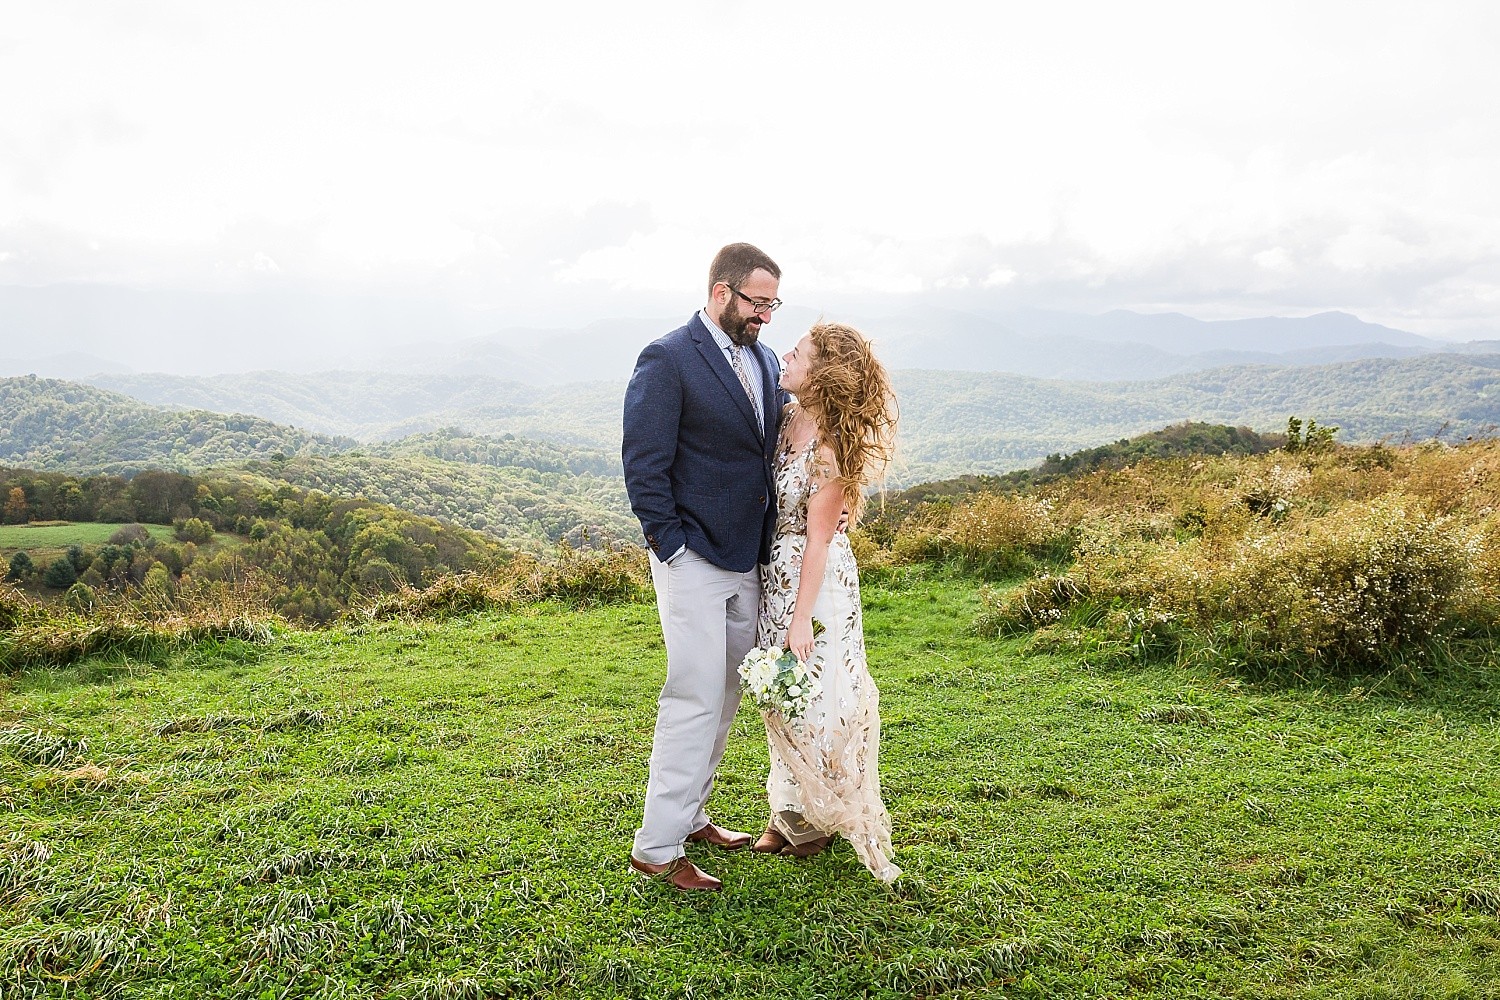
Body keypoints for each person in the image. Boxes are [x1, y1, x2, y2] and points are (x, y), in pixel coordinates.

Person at [622, 242, 789, 892]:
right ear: (721, 291)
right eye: (757, 303)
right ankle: (657, 848)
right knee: (691, 696)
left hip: (747, 558)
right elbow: (645, 463)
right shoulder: (667, 358)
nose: (766, 317)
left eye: (774, 304)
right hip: (692, 559)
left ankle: (692, 814)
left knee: (723, 697)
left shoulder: (765, 358)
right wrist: (672, 548)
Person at [750, 321, 901, 882]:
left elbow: (819, 536)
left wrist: (799, 619)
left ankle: (814, 820)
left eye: (798, 352)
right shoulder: (789, 417)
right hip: (775, 575)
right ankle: (788, 814)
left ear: (824, 372)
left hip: (815, 586)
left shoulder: (831, 444)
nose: (784, 355)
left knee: (817, 698)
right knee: (781, 694)